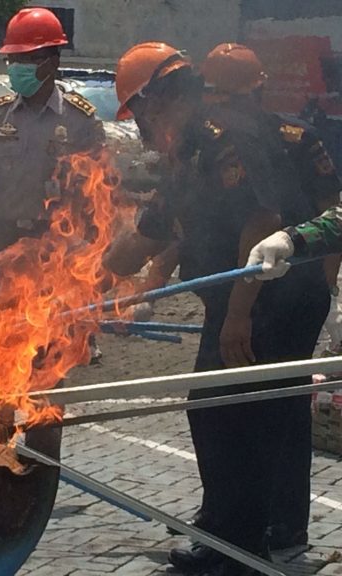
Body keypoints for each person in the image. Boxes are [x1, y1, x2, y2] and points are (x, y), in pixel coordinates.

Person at [105, 42, 329, 576]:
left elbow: (261, 220)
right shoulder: (187, 147)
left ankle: (242, 548)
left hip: (273, 301)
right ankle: (225, 529)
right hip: (239, 302)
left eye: (138, 111)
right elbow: (155, 232)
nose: (140, 126)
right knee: (215, 412)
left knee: (240, 417)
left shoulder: (224, 136)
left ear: (158, 99)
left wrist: (237, 315)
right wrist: (86, 280)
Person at [198, 42, 342, 551]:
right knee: (233, 407)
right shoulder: (216, 143)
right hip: (252, 286)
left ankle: (281, 522)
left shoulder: (296, 138)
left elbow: (331, 211)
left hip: (290, 293)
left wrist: (327, 288)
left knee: (279, 407)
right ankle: (228, 515)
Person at [0, 7, 105, 459]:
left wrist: (83, 249)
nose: (15, 68)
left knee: (48, 362)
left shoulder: (80, 121)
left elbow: (95, 191)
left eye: (25, 59)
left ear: (51, 61)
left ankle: (43, 462)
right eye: (12, 59)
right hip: (0, 245)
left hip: (53, 252)